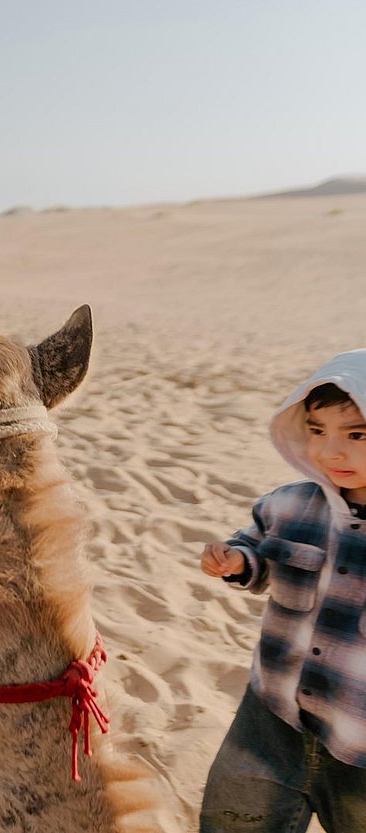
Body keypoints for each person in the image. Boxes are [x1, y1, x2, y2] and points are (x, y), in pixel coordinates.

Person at [198, 349, 366, 833]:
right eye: (317, 431)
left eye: (356, 434)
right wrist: (236, 561)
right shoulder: (289, 505)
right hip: (272, 716)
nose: (330, 452)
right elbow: (258, 553)